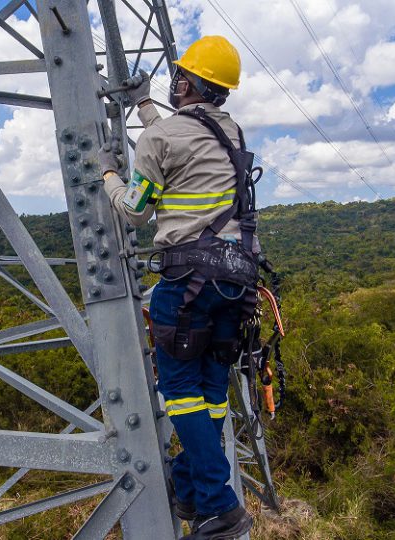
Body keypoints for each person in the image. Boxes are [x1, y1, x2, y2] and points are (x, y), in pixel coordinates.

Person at [98, 36, 257, 540]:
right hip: (238, 278)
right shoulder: (230, 132)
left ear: (185, 83)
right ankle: (190, 486)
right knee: (211, 393)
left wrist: (107, 175)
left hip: (188, 280)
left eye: (180, 76)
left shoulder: (158, 140)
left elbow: (136, 210)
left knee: (181, 392)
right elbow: (177, 138)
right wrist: (144, 105)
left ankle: (218, 505)